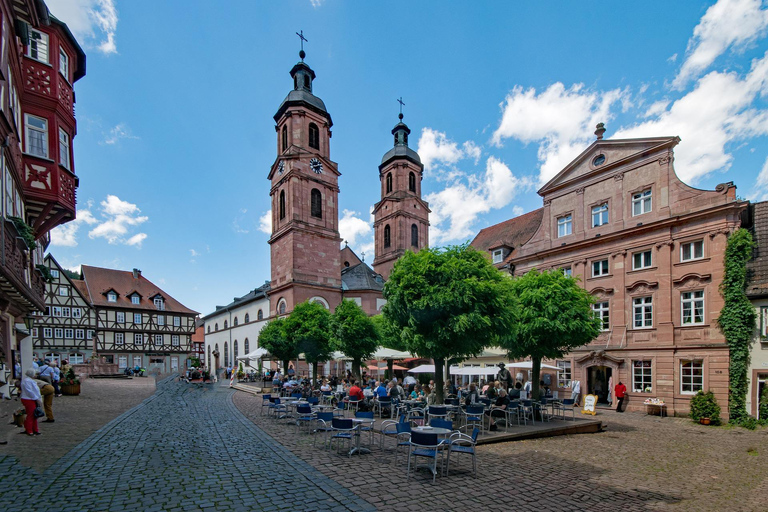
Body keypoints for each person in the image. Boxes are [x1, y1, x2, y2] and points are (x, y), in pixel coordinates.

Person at [20, 369, 43, 436]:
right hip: (29, 399)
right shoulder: (27, 381)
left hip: (31, 398)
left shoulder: (29, 380)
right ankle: (29, 430)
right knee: (31, 415)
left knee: (34, 415)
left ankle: (34, 429)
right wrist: (36, 398)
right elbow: (29, 391)